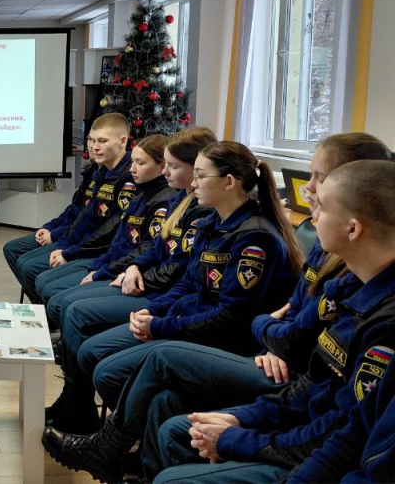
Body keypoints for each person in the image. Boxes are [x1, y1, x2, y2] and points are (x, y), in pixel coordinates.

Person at [45, 132, 393, 482]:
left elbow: (282, 335)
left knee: (154, 357)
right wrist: (160, 311)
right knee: (163, 400)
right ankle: (128, 457)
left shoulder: (268, 242)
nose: (309, 190)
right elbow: (202, 285)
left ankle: (107, 446)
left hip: (269, 364)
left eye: (320, 178)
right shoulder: (325, 256)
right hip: (273, 360)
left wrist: (266, 331)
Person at [152, 160, 395, 483]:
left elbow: (343, 435)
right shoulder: (350, 287)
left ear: (352, 229)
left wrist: (239, 439)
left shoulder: (383, 320)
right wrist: (244, 419)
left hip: (315, 450)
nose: (313, 215)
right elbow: (311, 384)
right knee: (177, 428)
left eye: (322, 207)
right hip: (299, 421)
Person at [42, 127, 217, 435]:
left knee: (75, 311)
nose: (165, 172)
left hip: (159, 293)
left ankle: (81, 410)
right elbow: (155, 248)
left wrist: (140, 278)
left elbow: (179, 270)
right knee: (68, 306)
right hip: (152, 286)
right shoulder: (181, 198)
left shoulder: (202, 211)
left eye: (172, 166)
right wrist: (135, 266)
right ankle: (74, 402)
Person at [36, 134, 172, 316]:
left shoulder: (164, 201)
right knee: (47, 284)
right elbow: (114, 238)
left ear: (162, 166)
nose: (132, 169)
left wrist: (100, 271)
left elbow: (144, 250)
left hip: (125, 273)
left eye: (140, 163)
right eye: (132, 162)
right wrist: (97, 266)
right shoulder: (141, 194)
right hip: (110, 264)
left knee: (61, 300)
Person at [22, 113, 134, 308]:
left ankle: (48, 314)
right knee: (26, 263)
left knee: (42, 279)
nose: (94, 147)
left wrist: (69, 252)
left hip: (100, 252)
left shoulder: (129, 178)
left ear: (123, 141)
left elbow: (111, 230)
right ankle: (44, 312)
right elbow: (83, 214)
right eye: (91, 140)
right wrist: (63, 243)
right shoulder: (101, 171)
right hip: (86, 245)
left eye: (102, 141)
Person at [3, 161, 97, 303]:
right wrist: (48, 227)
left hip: (76, 241)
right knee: (12, 249)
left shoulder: (106, 182)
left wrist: (54, 236)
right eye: (91, 144)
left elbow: (85, 226)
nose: (93, 149)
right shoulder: (90, 175)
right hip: (65, 235)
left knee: (28, 266)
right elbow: (70, 213)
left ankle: (41, 306)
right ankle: (37, 300)